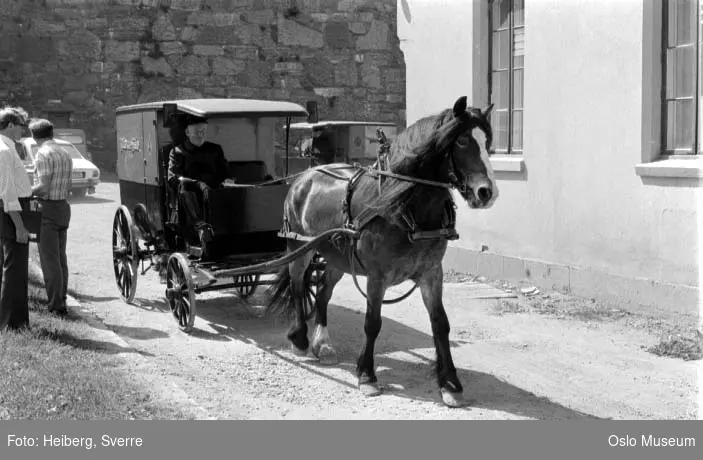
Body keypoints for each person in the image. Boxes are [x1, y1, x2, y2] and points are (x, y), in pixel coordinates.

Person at [166, 115, 230, 258]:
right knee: (183, 186)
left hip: (214, 194)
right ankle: (201, 226)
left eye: (203, 132)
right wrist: (198, 184)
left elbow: (225, 172)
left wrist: (228, 179)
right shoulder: (177, 152)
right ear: (187, 132)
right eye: (197, 132)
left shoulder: (215, 150)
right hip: (189, 200)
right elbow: (173, 179)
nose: (201, 135)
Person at [29, 118, 73, 316]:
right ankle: (61, 299)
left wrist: (25, 191)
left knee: (49, 259)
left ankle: (56, 305)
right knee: (60, 257)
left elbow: (43, 187)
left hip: (48, 208)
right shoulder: (65, 153)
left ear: (34, 136)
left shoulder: (42, 153)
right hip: (63, 206)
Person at [0, 106, 32, 331]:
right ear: (10, 125)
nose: (24, 129)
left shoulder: (8, 148)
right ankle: (10, 322)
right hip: (12, 211)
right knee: (15, 268)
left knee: (15, 267)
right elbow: (8, 192)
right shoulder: (4, 150)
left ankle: (15, 320)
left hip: (13, 209)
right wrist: (19, 226)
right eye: (21, 125)